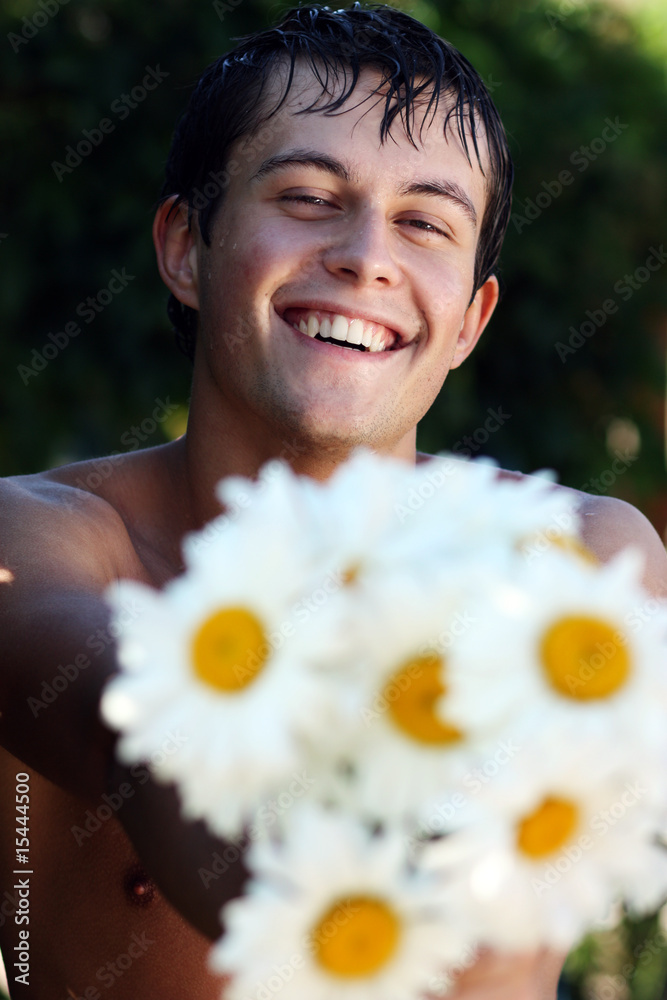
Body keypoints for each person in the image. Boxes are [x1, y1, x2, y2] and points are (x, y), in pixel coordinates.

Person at [1, 4, 666, 998]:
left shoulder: (581, 562)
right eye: (309, 195)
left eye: (426, 221)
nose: (366, 254)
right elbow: (126, 723)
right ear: (186, 247)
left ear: (470, 319)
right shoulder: (43, 541)